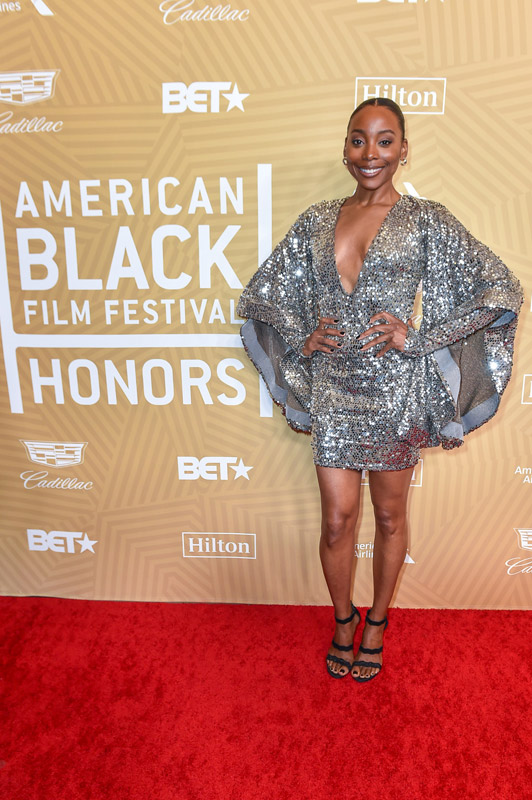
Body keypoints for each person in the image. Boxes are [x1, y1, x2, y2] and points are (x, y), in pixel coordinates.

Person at [237, 97, 523, 683]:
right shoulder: (316, 220)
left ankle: (377, 623)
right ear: (345, 148)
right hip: (335, 391)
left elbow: (501, 288)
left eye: (385, 140)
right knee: (337, 521)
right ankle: (343, 619)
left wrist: (419, 338)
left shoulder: (426, 220)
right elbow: (261, 295)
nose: (370, 153)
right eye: (358, 139)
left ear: (403, 149)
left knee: (390, 518)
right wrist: (302, 334)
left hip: (396, 392)